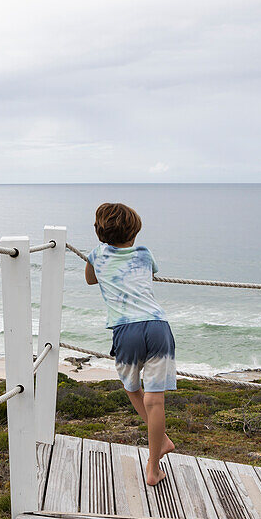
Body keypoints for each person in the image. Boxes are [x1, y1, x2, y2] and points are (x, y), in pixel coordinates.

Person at [85, 202, 176, 486]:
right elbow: (149, 277)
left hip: (126, 331)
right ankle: (153, 465)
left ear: (99, 232)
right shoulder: (144, 254)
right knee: (155, 399)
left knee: (132, 388)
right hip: (158, 327)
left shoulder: (97, 255)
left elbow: (90, 280)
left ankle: (160, 442)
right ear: (135, 233)